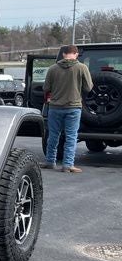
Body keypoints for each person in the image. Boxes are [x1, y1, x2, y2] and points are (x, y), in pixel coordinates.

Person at [43, 44, 94, 173]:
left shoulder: (53, 68)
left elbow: (46, 88)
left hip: (55, 107)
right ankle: (68, 165)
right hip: (73, 107)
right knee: (71, 137)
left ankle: (50, 161)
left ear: (63, 54)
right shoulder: (82, 68)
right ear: (76, 54)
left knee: (53, 136)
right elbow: (88, 88)